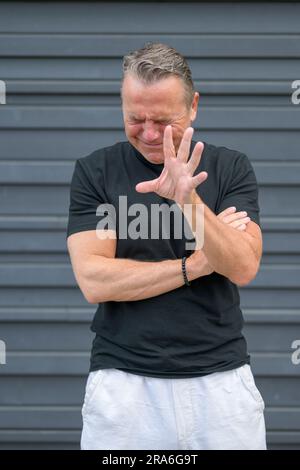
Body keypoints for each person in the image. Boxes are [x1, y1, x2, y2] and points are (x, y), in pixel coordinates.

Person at [66, 42, 266, 450]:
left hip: (220, 386)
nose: (150, 133)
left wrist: (188, 202)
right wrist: (196, 266)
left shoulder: (230, 168)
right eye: (135, 118)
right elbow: (94, 280)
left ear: (193, 106)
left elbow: (243, 266)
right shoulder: (96, 172)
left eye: (163, 119)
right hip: (125, 387)